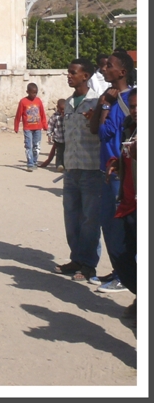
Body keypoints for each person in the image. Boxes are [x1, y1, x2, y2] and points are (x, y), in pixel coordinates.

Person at [86, 49, 134, 292]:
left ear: (122, 72)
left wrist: (107, 107)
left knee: (118, 229)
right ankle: (121, 273)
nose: (104, 69)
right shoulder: (109, 96)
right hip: (107, 170)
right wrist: (104, 103)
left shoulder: (128, 100)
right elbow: (94, 128)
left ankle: (125, 278)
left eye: (109, 66)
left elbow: (105, 132)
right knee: (109, 225)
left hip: (119, 172)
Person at [54, 58, 102, 283]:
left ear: (86, 76)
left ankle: (89, 265)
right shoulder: (70, 103)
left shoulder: (97, 102)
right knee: (71, 218)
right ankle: (76, 258)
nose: (69, 76)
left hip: (91, 169)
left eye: (73, 72)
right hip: (71, 169)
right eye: (68, 72)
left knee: (90, 220)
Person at [104, 87, 137, 325]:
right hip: (127, 204)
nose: (135, 111)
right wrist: (118, 162)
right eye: (133, 106)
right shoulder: (130, 125)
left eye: (139, 107)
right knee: (117, 250)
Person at [13, 83, 48, 172]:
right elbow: (18, 115)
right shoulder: (23, 101)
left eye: (35, 93)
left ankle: (35, 161)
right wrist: (16, 126)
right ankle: (30, 164)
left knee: (36, 146)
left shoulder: (38, 101)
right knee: (28, 146)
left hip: (38, 128)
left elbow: (42, 114)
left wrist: (45, 125)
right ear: (27, 92)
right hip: (27, 128)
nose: (34, 95)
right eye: (32, 93)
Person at [39, 99, 67, 170]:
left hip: (67, 139)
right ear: (57, 107)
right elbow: (50, 126)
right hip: (58, 139)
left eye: (64, 109)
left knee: (66, 153)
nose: (62, 111)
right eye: (61, 109)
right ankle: (59, 165)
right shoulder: (55, 116)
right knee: (59, 153)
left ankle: (66, 165)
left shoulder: (68, 116)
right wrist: (49, 134)